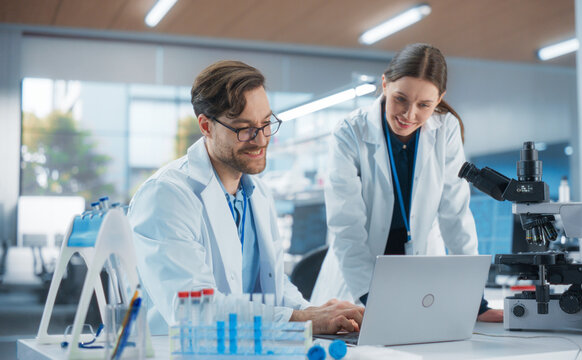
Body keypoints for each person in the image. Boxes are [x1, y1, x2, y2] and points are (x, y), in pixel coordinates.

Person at [128, 60, 364, 335]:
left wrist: (314, 312)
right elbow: (195, 310)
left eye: (266, 124)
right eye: (244, 129)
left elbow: (272, 283)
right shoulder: (166, 195)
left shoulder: (258, 193)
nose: (261, 139)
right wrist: (305, 319)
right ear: (206, 126)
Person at [311, 43, 503, 322]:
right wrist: (370, 298)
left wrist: (475, 299)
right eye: (400, 98)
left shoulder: (445, 128)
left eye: (424, 105)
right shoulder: (350, 131)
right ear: (385, 84)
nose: (409, 114)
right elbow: (346, 226)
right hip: (359, 277)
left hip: (422, 270)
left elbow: (456, 214)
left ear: (439, 99)